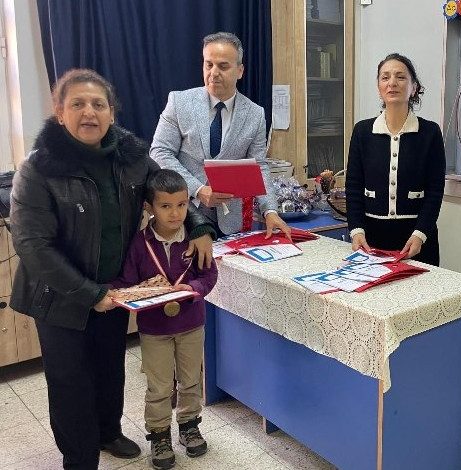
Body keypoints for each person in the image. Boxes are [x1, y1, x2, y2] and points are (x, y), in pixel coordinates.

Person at [9, 69, 215, 469]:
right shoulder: (38, 169)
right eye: (78, 104)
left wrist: (199, 226)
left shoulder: (131, 157)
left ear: (111, 112)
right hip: (58, 296)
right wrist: (91, 294)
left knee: (109, 369)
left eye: (98, 104)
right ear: (59, 112)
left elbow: (167, 190)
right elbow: (32, 245)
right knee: (70, 381)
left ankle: (108, 432)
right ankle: (79, 457)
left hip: (115, 288)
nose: (89, 112)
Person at [112, 169, 218, 469]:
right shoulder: (139, 244)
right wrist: (114, 293)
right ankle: (159, 435)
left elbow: (209, 275)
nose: (175, 213)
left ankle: (189, 425)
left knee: (191, 379)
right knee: (158, 386)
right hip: (154, 329)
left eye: (182, 205)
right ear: (150, 207)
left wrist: (194, 288)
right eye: (166, 206)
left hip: (191, 324)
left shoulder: (196, 240)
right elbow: (128, 282)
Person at [151, 31, 290, 239]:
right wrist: (198, 189)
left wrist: (270, 210)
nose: (213, 73)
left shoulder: (255, 114)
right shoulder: (179, 103)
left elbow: (259, 166)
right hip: (183, 213)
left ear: (240, 71)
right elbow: (160, 152)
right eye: (209, 65)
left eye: (223, 66)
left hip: (230, 220)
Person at [346, 53, 446, 266]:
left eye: (400, 77)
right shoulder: (363, 131)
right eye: (385, 77)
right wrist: (356, 230)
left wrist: (420, 233)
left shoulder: (430, 132)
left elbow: (435, 191)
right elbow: (354, 186)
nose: (392, 83)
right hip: (371, 239)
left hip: (417, 240)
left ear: (414, 87)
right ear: (379, 87)